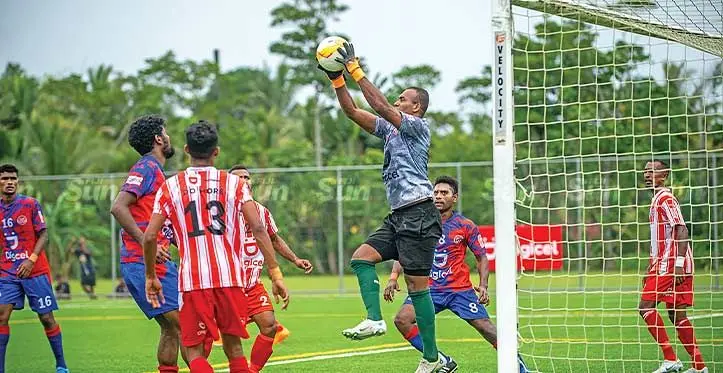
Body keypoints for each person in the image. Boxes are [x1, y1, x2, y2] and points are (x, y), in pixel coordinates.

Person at [319, 42, 443, 372]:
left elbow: (382, 106)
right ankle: (375, 320)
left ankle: (432, 358)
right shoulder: (390, 129)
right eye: (398, 98)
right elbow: (352, 112)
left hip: (419, 213)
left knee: (418, 288)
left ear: (416, 108)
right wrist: (337, 79)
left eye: (404, 99)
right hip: (399, 215)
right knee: (361, 259)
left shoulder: (418, 127)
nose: (397, 101)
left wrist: (355, 69)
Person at [142, 121, 290, 373]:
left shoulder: (171, 186)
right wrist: (275, 273)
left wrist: (150, 276)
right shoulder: (234, 185)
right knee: (234, 350)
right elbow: (258, 228)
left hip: (192, 281)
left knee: (194, 350)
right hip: (230, 278)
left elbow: (149, 236)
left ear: (187, 149)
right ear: (216, 151)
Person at [384, 176, 530, 373]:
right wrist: (393, 277)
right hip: (427, 290)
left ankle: (521, 369)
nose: (438, 196)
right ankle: (440, 359)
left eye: (444, 193)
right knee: (402, 320)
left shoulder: (465, 225)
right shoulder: (419, 223)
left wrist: (484, 285)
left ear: (455, 198)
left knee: (487, 329)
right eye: (435, 192)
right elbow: (405, 251)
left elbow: (481, 257)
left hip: (459, 290)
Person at [218, 164, 313, 372]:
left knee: (269, 325)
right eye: (239, 178)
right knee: (220, 336)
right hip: (227, 284)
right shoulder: (219, 212)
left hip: (252, 284)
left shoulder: (261, 211)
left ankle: (251, 370)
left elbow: (274, 239)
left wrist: (295, 259)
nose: (245, 180)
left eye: (247, 177)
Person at [110, 114, 185, 373]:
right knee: (186, 326)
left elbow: (162, 223)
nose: (169, 136)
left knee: (170, 328)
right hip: (145, 262)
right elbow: (118, 207)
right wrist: (146, 243)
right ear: (158, 139)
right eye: (166, 132)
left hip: (145, 262)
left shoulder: (155, 172)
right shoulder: (147, 168)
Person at [0, 164, 70, 373]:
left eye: (13, 178)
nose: (9, 182)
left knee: (46, 318)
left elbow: (44, 234)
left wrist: (31, 259)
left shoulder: (30, 204)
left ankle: (61, 364)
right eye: (4, 179)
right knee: (2, 316)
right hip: (7, 272)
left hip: (35, 270)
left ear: (18, 181)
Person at [639, 160, 707, 373]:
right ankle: (699, 366)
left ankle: (671, 359)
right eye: (645, 171)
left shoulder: (666, 198)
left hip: (671, 264)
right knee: (677, 315)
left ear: (664, 175)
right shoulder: (656, 200)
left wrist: (677, 265)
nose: (647, 175)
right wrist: (651, 266)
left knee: (645, 307)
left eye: (652, 171)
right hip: (666, 263)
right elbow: (661, 239)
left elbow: (682, 230)